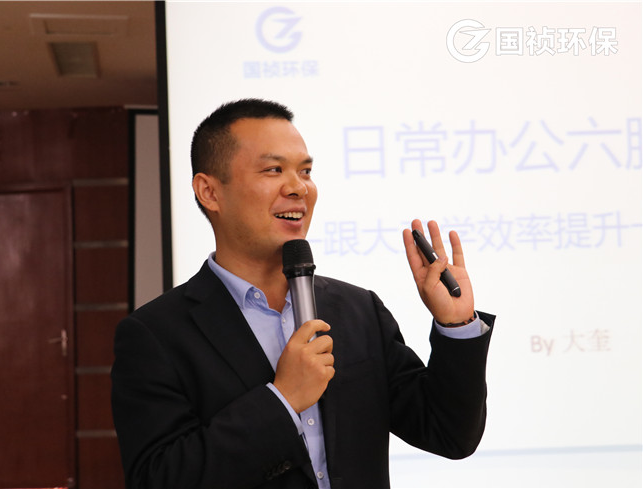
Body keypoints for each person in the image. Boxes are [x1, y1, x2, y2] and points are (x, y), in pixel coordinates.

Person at [111, 99, 495, 489]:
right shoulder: (155, 335)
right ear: (209, 192)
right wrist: (282, 400)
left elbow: (449, 433)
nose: (298, 188)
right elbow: (158, 478)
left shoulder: (358, 310)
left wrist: (457, 324)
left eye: (305, 171)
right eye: (273, 170)